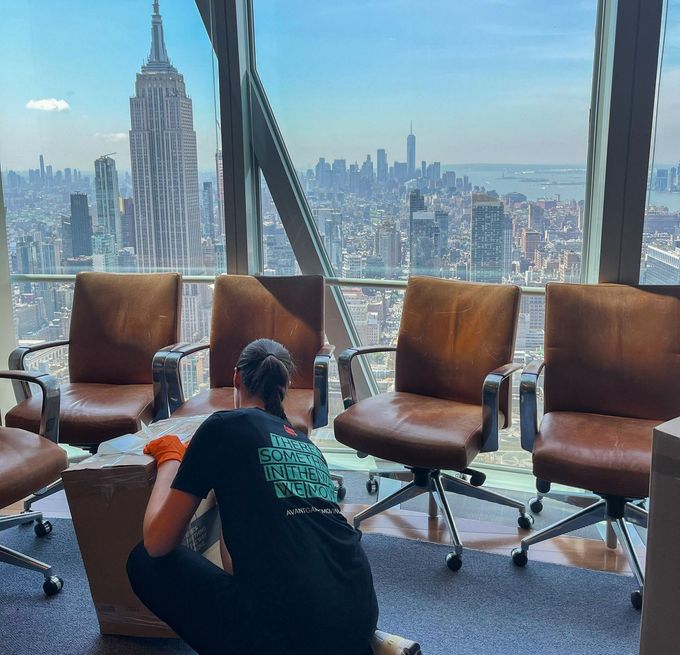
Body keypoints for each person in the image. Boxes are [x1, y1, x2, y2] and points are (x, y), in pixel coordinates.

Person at [126, 338, 379, 655]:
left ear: (236, 378)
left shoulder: (222, 426)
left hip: (289, 635)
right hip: (359, 616)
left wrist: (171, 461)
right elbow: (237, 567)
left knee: (143, 561)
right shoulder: (307, 446)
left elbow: (157, 542)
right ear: (283, 388)